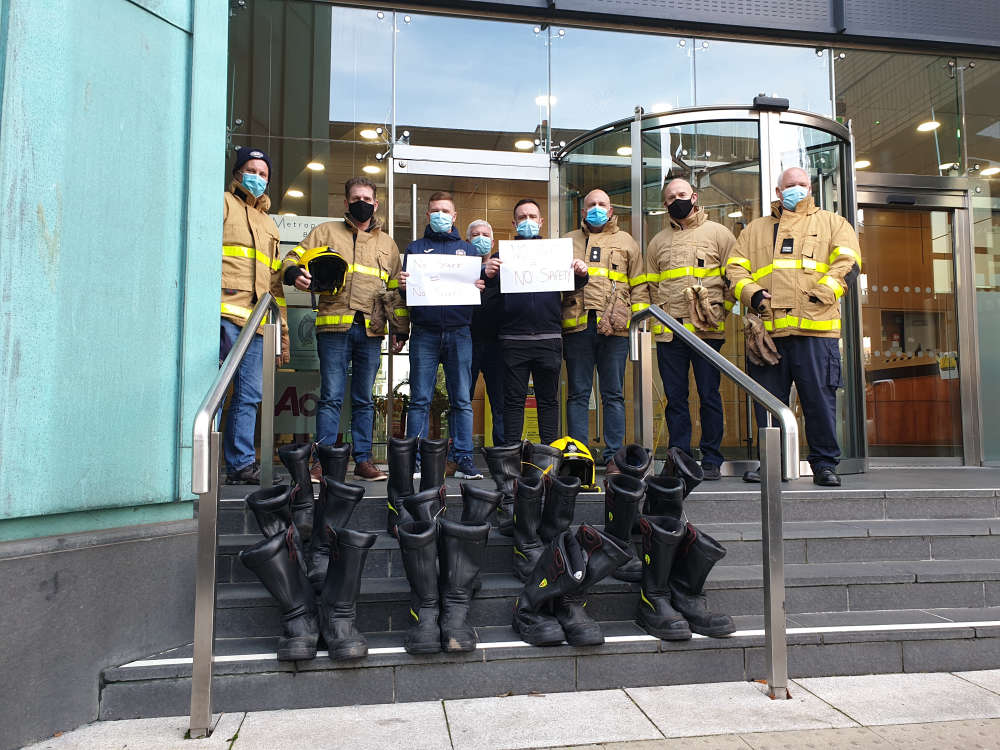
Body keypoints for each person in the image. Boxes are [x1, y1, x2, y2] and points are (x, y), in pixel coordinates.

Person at [724, 167, 861, 487]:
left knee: (818, 401)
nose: (796, 189)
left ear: (810, 188)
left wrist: (823, 292)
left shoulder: (834, 223)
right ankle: (772, 463)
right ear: (778, 191)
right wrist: (754, 294)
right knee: (768, 403)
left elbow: (849, 263)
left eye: (801, 184)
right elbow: (734, 270)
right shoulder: (755, 230)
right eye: (790, 185)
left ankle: (824, 465)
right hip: (768, 333)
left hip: (816, 331)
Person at [283, 176, 404, 481]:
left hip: (371, 330)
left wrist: (400, 330)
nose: (362, 203)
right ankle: (322, 462)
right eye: (356, 198)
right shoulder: (325, 232)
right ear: (347, 202)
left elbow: (395, 292)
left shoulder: (387, 244)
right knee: (331, 397)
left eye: (367, 199)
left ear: (376, 204)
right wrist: (294, 272)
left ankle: (363, 461)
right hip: (334, 328)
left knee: (364, 399)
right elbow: (293, 257)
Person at [645, 178, 736, 481]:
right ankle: (679, 458)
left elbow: (735, 278)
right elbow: (650, 287)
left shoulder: (719, 234)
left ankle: (711, 459)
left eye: (682, 194)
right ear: (665, 204)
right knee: (675, 399)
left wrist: (720, 310)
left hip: (706, 331)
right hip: (670, 332)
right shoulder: (657, 242)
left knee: (709, 395)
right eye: (671, 198)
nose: (677, 200)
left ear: (694, 197)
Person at [483, 199, 589, 445]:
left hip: (548, 338)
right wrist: (488, 275)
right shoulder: (501, 258)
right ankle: (511, 457)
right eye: (522, 217)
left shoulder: (555, 254)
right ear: (514, 223)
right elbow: (489, 296)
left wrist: (581, 273)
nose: (527, 221)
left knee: (548, 401)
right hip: (512, 340)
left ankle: (548, 456)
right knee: (513, 401)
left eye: (532, 217)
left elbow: (572, 285)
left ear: (541, 222)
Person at [397, 191, 486, 481]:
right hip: (424, 332)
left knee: (462, 400)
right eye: (435, 210)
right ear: (427, 215)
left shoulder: (469, 251)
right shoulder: (415, 249)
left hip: (460, 332)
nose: (440, 215)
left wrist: (478, 286)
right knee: (419, 399)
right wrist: (402, 286)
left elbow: (477, 291)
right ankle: (415, 462)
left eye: (445, 211)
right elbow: (407, 294)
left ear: (454, 216)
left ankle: (464, 460)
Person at [561, 189, 648, 467]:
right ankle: (579, 457)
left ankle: (613, 458)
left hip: (615, 329)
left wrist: (637, 325)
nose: (597, 208)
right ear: (583, 211)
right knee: (578, 394)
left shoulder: (627, 242)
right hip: (577, 327)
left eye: (602, 204)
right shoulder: (566, 242)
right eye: (591, 204)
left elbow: (640, 286)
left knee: (613, 394)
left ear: (610, 211)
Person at [220, 146, 289, 484]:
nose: (257, 178)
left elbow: (275, 285)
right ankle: (196, 466)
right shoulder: (222, 204)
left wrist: (282, 334)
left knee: (249, 396)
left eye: (263, 174)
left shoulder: (269, 225)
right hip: (223, 316)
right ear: (237, 173)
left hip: (258, 325)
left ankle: (241, 465)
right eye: (251, 171)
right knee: (214, 394)